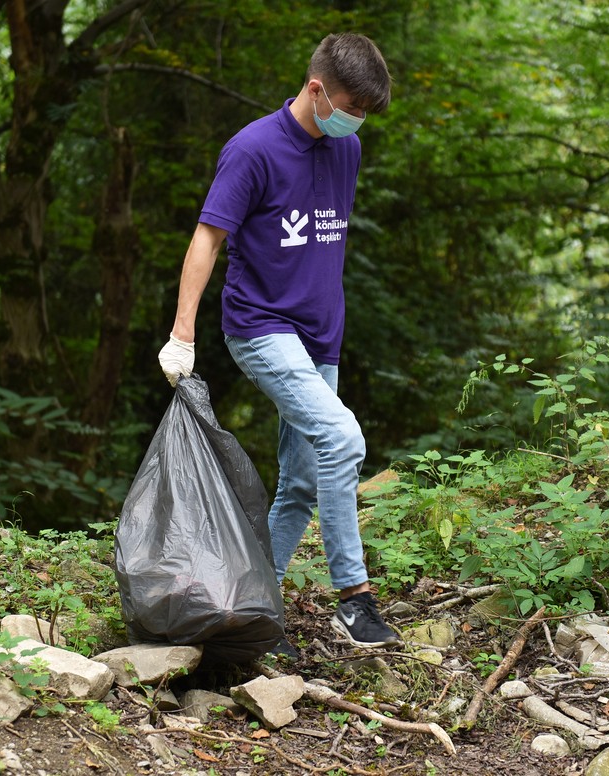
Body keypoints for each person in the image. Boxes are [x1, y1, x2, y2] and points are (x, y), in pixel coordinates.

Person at [157, 33, 400, 653]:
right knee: (343, 438)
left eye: (366, 113)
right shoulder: (253, 149)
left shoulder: (346, 150)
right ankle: (355, 598)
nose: (357, 120)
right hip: (261, 328)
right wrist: (182, 331)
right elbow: (208, 238)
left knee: (300, 482)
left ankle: (258, 612)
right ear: (317, 90)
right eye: (352, 106)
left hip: (322, 337)